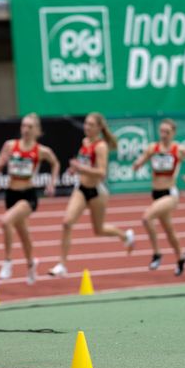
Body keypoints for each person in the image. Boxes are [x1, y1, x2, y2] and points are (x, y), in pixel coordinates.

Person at [49, 113, 134, 277]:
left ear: (99, 128)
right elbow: (85, 163)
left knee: (99, 230)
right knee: (67, 223)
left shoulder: (101, 146)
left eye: (90, 125)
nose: (86, 127)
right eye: (86, 124)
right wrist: (75, 168)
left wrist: (80, 168)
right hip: (81, 188)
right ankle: (61, 265)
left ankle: (125, 236)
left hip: (97, 192)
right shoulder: (85, 142)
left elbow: (101, 173)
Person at [0, 113, 60, 284]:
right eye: (24, 126)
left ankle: (8, 261)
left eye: (30, 127)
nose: (26, 130)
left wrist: (52, 183)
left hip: (28, 195)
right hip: (11, 194)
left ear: (37, 130)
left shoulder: (41, 150)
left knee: (6, 222)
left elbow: (55, 163)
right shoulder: (10, 146)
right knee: (23, 234)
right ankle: (31, 263)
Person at [132, 118, 185, 276]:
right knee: (169, 230)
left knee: (146, 218)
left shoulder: (179, 149)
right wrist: (136, 164)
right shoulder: (153, 148)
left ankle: (157, 253)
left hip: (170, 194)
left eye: (167, 132)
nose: (163, 135)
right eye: (161, 131)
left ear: (173, 133)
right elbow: (140, 163)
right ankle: (180, 257)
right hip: (156, 194)